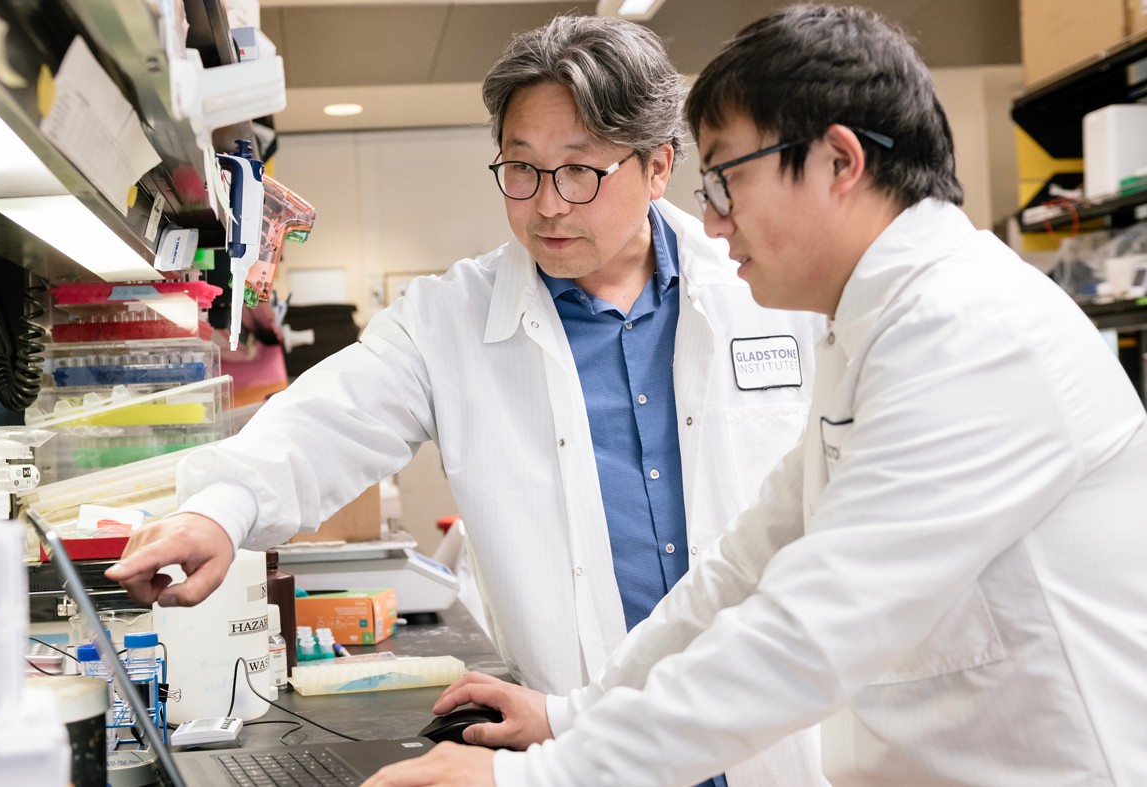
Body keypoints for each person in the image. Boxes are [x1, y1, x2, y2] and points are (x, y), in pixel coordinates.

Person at [364, 4, 1147, 786]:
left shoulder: (969, 336)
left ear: (839, 162)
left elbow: (810, 630)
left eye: (728, 179)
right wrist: (578, 710)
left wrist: (532, 778)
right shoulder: (877, 329)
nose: (709, 218)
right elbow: (747, 562)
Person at [109, 14, 826, 785]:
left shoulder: (767, 291)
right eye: (521, 169)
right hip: (575, 738)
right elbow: (331, 417)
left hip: (774, 735)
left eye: (580, 171)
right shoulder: (453, 317)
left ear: (657, 167)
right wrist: (217, 509)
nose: (547, 205)